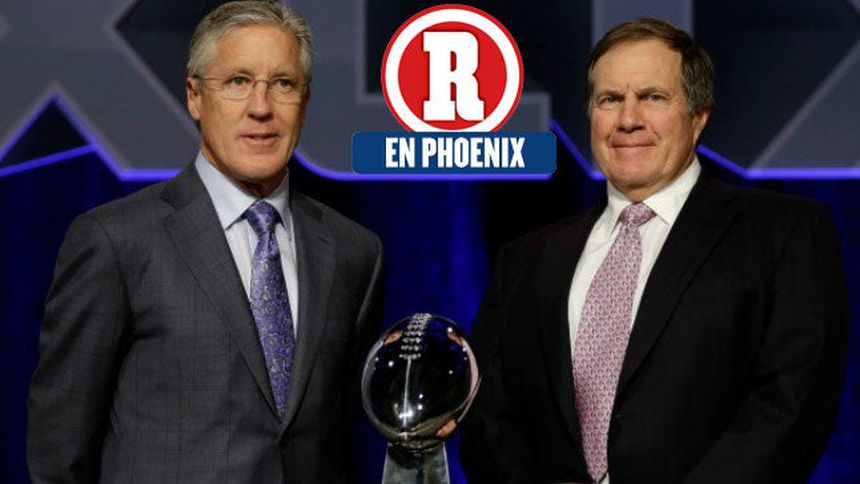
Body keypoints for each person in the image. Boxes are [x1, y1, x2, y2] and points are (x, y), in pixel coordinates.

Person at [460, 17, 848, 484]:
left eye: (653, 97)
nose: (628, 119)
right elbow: (488, 417)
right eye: (610, 100)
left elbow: (791, 405)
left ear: (698, 116)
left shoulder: (783, 233)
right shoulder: (525, 259)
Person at [27, 2, 383, 482]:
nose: (261, 107)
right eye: (238, 81)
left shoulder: (354, 251)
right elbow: (60, 446)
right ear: (195, 97)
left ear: (305, 100)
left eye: (283, 83)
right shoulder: (117, 240)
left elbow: (340, 437)